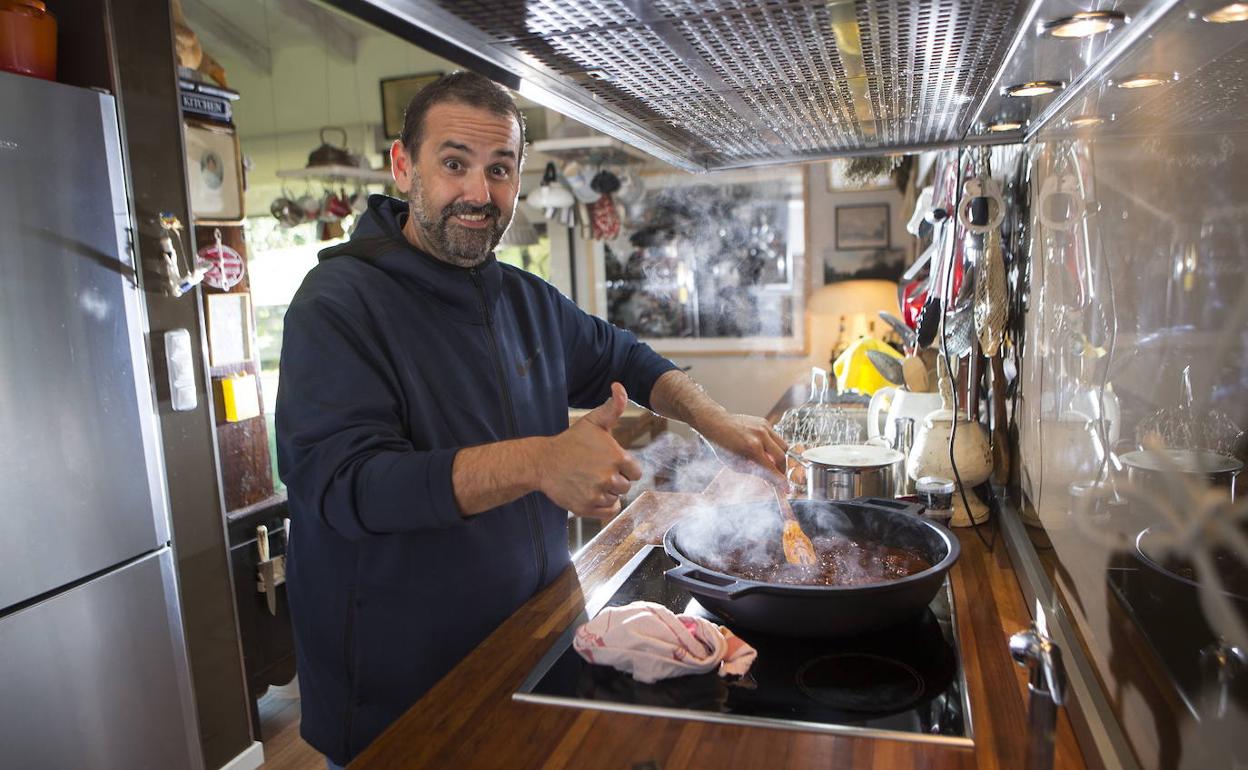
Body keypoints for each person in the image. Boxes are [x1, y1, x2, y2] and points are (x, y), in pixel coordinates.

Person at [276, 71, 788, 767]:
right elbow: (346, 485)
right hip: (405, 693)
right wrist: (542, 462)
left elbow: (625, 356)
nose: (479, 194)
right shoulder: (336, 303)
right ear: (403, 166)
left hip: (533, 643)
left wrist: (712, 418)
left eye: (500, 169)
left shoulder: (522, 298)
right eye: (454, 163)